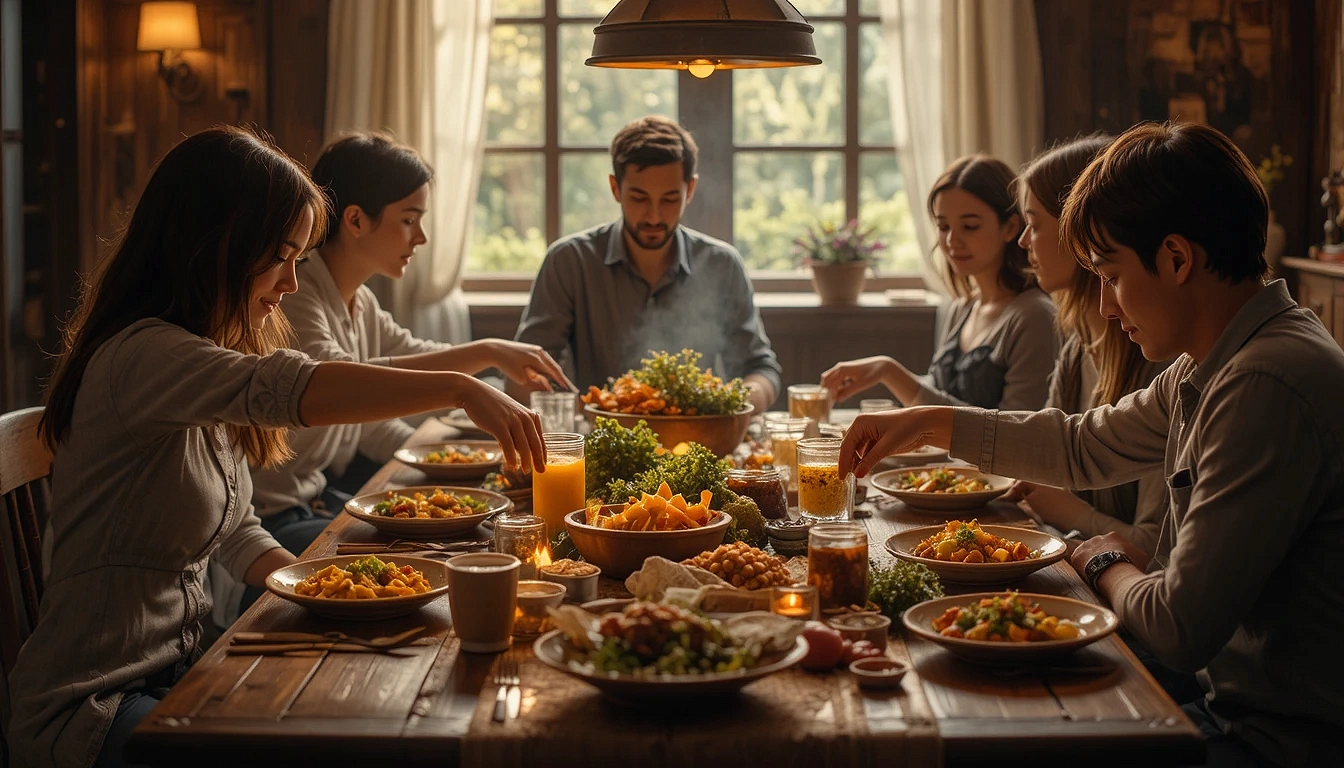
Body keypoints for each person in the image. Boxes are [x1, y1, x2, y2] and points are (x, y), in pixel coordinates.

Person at [7, 126, 546, 768]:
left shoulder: (198, 359)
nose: (292, 281)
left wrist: (323, 586)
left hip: (181, 672)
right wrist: (460, 385)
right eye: (281, 256)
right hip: (92, 705)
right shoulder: (144, 356)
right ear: (219, 247)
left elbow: (236, 531)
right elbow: (293, 389)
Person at [839, 121, 1344, 767]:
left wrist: (1101, 559)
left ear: (1177, 259)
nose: (1104, 304)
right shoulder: (1216, 361)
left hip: (1273, 742)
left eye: (1110, 274)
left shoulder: (1264, 382)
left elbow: (1177, 628)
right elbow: (1084, 445)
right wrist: (931, 422)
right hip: (1225, 712)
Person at [244, 132, 571, 598]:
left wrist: (452, 460)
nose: (421, 237)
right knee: (435, 564)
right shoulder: (295, 299)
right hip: (271, 521)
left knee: (459, 540)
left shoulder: (359, 302)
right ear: (356, 220)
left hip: (318, 500)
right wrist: (484, 358)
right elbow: (344, 378)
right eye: (409, 219)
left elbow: (397, 372)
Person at [513, 115, 782, 414]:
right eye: (639, 198)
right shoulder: (570, 261)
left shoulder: (722, 264)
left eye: (669, 200)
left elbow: (761, 368)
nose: (654, 216)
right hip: (600, 435)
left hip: (698, 434)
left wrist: (732, 405)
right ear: (615, 188)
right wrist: (591, 410)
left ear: (690, 190)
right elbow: (523, 377)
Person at [1008, 134, 1169, 561]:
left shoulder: (1159, 362)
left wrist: (1069, 512)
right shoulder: (1078, 349)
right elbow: (1046, 462)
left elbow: (1158, 548)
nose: (1023, 242)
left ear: (1077, 230)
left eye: (1034, 223)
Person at [821, 155, 1058, 411]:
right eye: (943, 227)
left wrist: (888, 370)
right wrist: (884, 373)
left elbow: (1019, 428)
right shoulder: (961, 308)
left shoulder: (1034, 316)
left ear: (1010, 228)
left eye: (970, 226)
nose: (952, 240)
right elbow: (939, 393)